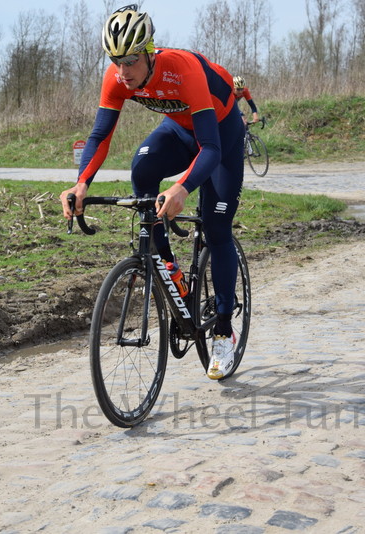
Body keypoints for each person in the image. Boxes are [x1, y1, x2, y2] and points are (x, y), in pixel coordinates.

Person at [59, 4, 245, 380]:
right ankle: (169, 267)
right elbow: (99, 136)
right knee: (141, 169)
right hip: (178, 130)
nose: (122, 71)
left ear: (148, 52)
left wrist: (181, 188)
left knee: (216, 226)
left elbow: (210, 148)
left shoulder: (183, 68)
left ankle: (224, 328)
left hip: (220, 135)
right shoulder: (115, 78)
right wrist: (82, 183)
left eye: (129, 61)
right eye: (115, 61)